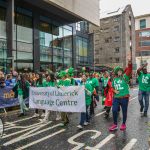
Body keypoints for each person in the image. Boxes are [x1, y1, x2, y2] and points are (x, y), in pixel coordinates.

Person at [109, 60, 132, 131]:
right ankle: (115, 124)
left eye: (120, 71)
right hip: (116, 98)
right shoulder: (114, 80)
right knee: (114, 110)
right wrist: (114, 90)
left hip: (124, 98)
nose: (119, 72)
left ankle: (123, 124)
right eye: (118, 71)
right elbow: (111, 87)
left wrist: (129, 63)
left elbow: (129, 69)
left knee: (124, 111)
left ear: (122, 72)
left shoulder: (125, 77)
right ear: (116, 72)